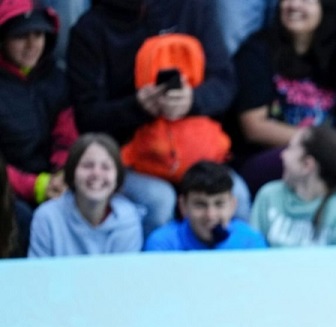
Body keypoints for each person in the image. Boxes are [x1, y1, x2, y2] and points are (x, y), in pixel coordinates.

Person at [66, 0, 239, 234]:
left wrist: (193, 100)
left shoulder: (194, 8)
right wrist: (137, 107)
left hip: (195, 151)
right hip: (131, 158)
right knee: (159, 201)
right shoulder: (90, 29)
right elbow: (87, 116)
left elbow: (225, 84)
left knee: (238, 195)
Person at [230, 0, 336, 195]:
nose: (294, 5)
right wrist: (320, 146)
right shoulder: (257, 51)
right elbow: (254, 127)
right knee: (304, 163)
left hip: (324, 158)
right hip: (266, 159)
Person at [0, 2, 78, 213]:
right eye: (20, 36)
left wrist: (63, 171)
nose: (32, 44)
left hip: (54, 182)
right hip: (11, 188)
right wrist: (34, 186)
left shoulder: (56, 78)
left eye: (38, 34)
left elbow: (66, 135)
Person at [249, 124, 336, 246]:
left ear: (307, 164)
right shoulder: (269, 195)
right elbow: (251, 251)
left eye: (290, 148)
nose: (283, 155)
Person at [28, 131, 143, 256]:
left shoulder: (128, 220)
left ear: (117, 178)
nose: (96, 174)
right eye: (87, 165)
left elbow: (123, 274)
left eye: (106, 167)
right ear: (72, 173)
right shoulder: (47, 217)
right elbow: (38, 273)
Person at [143, 160, 268, 250]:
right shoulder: (163, 244)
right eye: (200, 205)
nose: (210, 215)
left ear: (232, 205)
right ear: (183, 206)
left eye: (219, 204)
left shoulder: (250, 242)